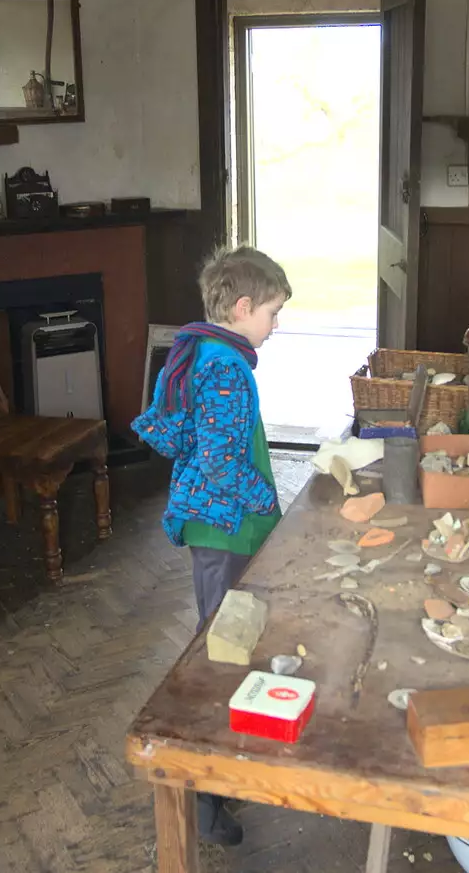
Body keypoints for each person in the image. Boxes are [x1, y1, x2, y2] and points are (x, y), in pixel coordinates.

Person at [132, 244, 290, 847]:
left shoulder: (211, 352)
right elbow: (224, 465)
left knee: (227, 643)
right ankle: (204, 796)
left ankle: (224, 775)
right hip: (225, 526)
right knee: (220, 653)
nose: (275, 327)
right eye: (273, 314)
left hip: (224, 525)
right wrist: (274, 509)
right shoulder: (225, 366)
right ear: (244, 306)